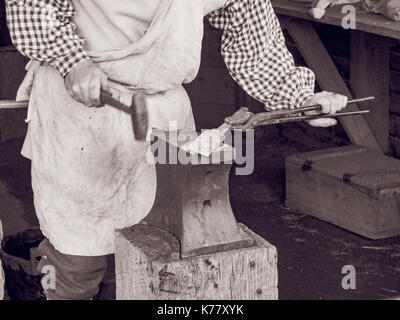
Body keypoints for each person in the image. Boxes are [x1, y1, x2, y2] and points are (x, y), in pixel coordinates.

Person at [5, 0, 347, 300]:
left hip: (164, 109)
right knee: (79, 259)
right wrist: (72, 61)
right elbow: (31, 5)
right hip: (81, 109)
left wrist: (299, 98)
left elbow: (256, 46)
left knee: (170, 242)